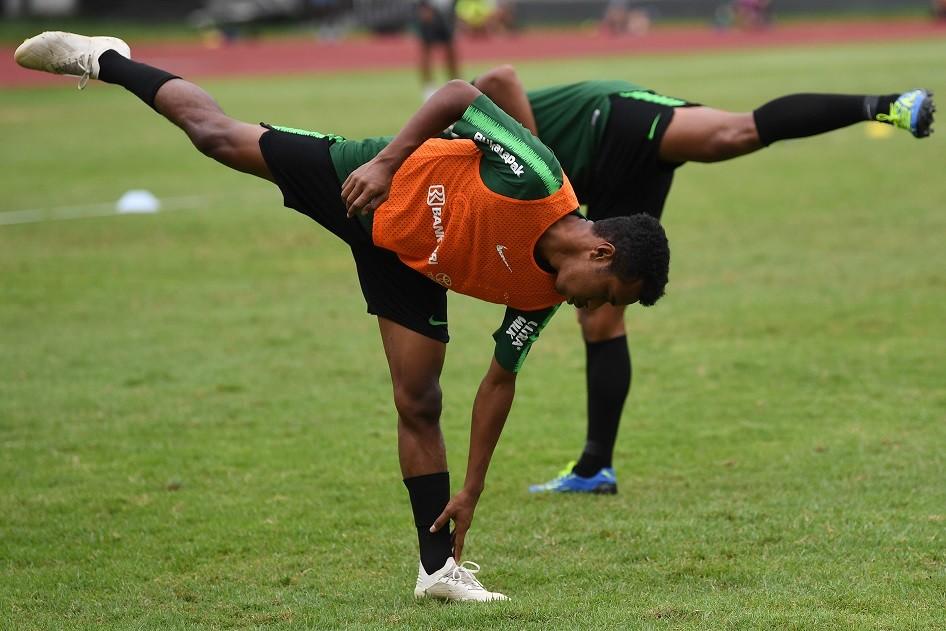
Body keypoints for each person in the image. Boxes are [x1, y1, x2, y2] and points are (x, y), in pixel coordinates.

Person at [14, 33, 670, 601]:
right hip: (363, 180)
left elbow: (499, 382)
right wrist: (386, 162)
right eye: (608, 291)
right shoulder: (536, 176)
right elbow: (455, 95)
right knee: (215, 136)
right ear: (600, 250)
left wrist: (471, 489)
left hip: (409, 264)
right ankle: (106, 60)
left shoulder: (544, 292)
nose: (595, 308)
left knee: (418, 400)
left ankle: (437, 567)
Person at [471, 65, 935, 495]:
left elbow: (498, 77)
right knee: (601, 320)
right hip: (602, 182)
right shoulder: (469, 170)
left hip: (611, 120)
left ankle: (886, 105)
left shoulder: (475, 129)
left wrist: (539, 165)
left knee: (736, 133)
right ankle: (595, 469)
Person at [415, 0, 460, 101]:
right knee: (426, 48)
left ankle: (456, 84)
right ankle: (428, 87)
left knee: (450, 48)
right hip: (429, 6)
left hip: (447, 9)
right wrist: (423, 6)